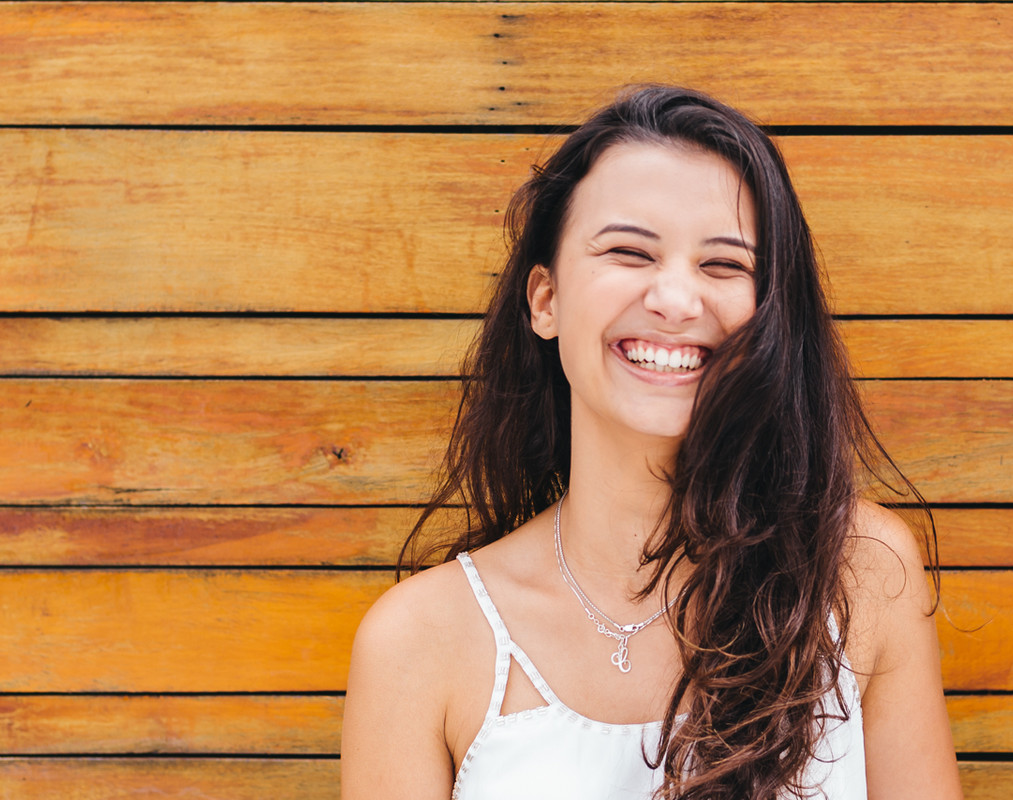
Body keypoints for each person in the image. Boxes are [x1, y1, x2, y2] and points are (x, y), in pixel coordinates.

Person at [341, 85, 962, 799]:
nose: (674, 301)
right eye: (629, 252)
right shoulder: (418, 640)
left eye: (723, 265)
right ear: (545, 300)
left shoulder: (860, 574)